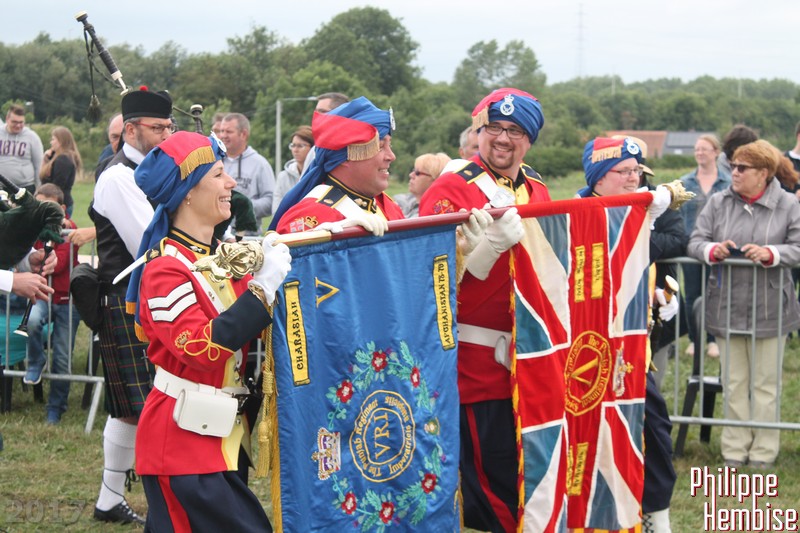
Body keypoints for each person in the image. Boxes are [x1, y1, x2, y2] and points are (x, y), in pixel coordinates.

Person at [125, 131, 291, 532]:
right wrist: (262, 290)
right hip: (183, 444)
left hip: (222, 437)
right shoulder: (165, 269)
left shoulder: (217, 257)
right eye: (218, 174)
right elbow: (199, 348)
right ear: (186, 194)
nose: (231, 182)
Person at [419, 88, 548, 533]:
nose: (503, 138)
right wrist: (485, 251)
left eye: (515, 131)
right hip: (476, 363)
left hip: (529, 360)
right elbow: (429, 278)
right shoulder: (451, 186)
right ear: (480, 132)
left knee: (528, 478)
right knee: (493, 487)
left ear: (529, 140)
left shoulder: (537, 188)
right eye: (494, 127)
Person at [578, 136, 680, 533]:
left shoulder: (638, 210)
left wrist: (661, 295)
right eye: (624, 171)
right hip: (590, 352)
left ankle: (655, 518)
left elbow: (643, 264)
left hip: (635, 351)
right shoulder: (575, 214)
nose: (634, 178)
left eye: (637, 171)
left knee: (655, 430)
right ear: (599, 177)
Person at [688, 139, 800, 469]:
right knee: (735, 382)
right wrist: (712, 250)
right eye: (733, 166)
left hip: (771, 309)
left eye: (742, 168)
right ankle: (734, 450)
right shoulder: (718, 202)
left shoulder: (788, 204)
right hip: (727, 307)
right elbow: (695, 241)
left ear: (763, 173)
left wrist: (771, 253)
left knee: (765, 384)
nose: (733, 172)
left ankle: (763, 451)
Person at [90, 87, 174, 525]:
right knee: (149, 409)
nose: (166, 136)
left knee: (129, 408)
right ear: (130, 130)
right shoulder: (118, 177)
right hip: (126, 303)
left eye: (169, 127)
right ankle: (165, 505)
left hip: (141, 302)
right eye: (158, 128)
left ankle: (108, 502)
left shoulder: (152, 172)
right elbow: (150, 243)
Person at [270, 96, 404, 234]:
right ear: (346, 157)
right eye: (380, 147)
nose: (391, 156)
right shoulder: (310, 218)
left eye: (390, 145)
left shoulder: (389, 206)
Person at [22, 183, 81, 425]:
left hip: (67, 300)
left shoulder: (70, 229)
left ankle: (56, 407)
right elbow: (26, 258)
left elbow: (58, 263)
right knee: (32, 321)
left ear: (62, 209)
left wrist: (39, 255)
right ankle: (36, 360)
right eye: (39, 207)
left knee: (62, 357)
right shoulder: (31, 228)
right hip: (41, 295)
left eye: (49, 207)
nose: (43, 212)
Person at [679, 134, 730, 359]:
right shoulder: (684, 183)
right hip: (691, 248)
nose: (699, 153)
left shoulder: (728, 182)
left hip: (718, 248)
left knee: (715, 294)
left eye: (704, 149)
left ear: (716, 152)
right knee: (692, 294)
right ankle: (694, 339)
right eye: (697, 149)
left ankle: (712, 339)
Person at [219, 113, 276, 233]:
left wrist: (243, 206)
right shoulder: (214, 161)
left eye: (229, 131)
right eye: (222, 131)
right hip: (216, 235)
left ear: (244, 134)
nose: (223, 135)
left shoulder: (260, 164)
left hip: (247, 237)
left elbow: (271, 201)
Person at [299, 92, 350, 178]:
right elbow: (305, 181)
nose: (317, 116)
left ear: (339, 113)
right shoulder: (315, 150)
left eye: (322, 111)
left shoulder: (358, 148)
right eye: (316, 111)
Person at [0, 104, 44, 194]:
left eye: (21, 122)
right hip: (1, 187)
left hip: (24, 188)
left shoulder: (32, 137)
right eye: (14, 122)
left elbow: (39, 165)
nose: (18, 125)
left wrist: (39, 189)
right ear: (7, 119)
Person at [39, 126, 82, 217]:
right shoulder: (59, 158)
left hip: (59, 204)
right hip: (56, 203)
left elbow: (57, 187)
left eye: (53, 139)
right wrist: (46, 159)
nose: (51, 142)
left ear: (61, 141)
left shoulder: (63, 160)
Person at [394, 152, 451, 218]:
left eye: (417, 173)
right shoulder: (401, 200)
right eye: (413, 170)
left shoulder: (436, 213)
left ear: (436, 180)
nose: (411, 175)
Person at [272, 125, 313, 213]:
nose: (295, 150)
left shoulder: (318, 175)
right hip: (287, 221)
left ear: (312, 148)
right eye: (293, 145)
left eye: (300, 146)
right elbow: (276, 210)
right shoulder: (283, 177)